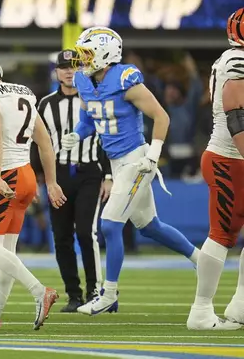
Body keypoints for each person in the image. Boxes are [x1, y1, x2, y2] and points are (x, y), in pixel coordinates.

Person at [60, 27, 199, 315]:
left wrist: (154, 153)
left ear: (105, 53)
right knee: (149, 227)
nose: (82, 60)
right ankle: (202, 259)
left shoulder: (125, 79)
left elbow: (161, 115)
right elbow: (90, 120)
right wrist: (77, 134)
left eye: (87, 53)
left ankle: (108, 293)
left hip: (137, 160)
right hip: (115, 161)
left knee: (110, 225)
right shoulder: (85, 83)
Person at [0, 51, 66, 330]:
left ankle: (39, 291)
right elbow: (45, 142)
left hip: (6, 174)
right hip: (27, 174)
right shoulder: (25, 92)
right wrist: (49, 181)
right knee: (7, 250)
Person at [32, 49, 110, 311]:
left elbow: (107, 137)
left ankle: (96, 292)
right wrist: (35, 177)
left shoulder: (94, 98)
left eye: (74, 66)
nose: (68, 71)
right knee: (62, 236)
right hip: (58, 175)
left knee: (86, 232)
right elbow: (36, 144)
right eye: (64, 67)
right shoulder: (44, 104)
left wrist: (108, 175)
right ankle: (74, 294)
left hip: (89, 171)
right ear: (56, 71)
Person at [186, 8, 244, 330]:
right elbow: (237, 114)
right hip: (229, 158)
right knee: (222, 235)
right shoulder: (237, 61)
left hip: (235, 157)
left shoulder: (229, 59)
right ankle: (201, 311)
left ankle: (240, 307)